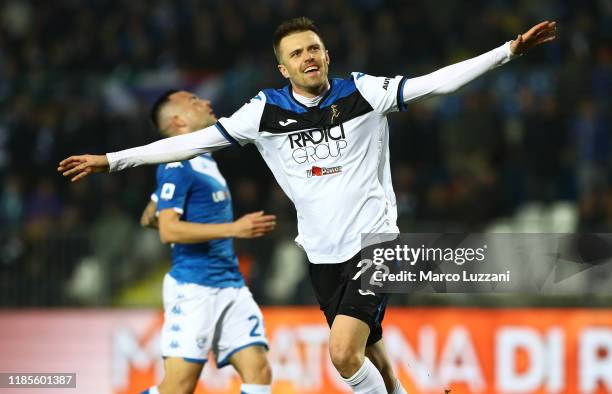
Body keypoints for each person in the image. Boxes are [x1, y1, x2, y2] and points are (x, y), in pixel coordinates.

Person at [59, 17, 556, 393]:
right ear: (284, 67)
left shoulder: (363, 92)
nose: (309, 57)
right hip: (321, 253)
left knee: (343, 355)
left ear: (326, 54)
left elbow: (434, 82)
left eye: (314, 48)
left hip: (375, 243)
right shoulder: (264, 111)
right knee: (373, 352)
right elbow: (191, 143)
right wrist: (113, 160)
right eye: (297, 53)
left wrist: (508, 51)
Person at [138, 90, 276, 394]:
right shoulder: (177, 163)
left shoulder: (203, 158)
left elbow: (149, 217)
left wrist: (160, 207)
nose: (206, 103)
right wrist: (234, 229)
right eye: (193, 101)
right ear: (178, 121)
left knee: (259, 371)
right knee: (178, 387)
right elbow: (168, 232)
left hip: (231, 286)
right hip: (194, 288)